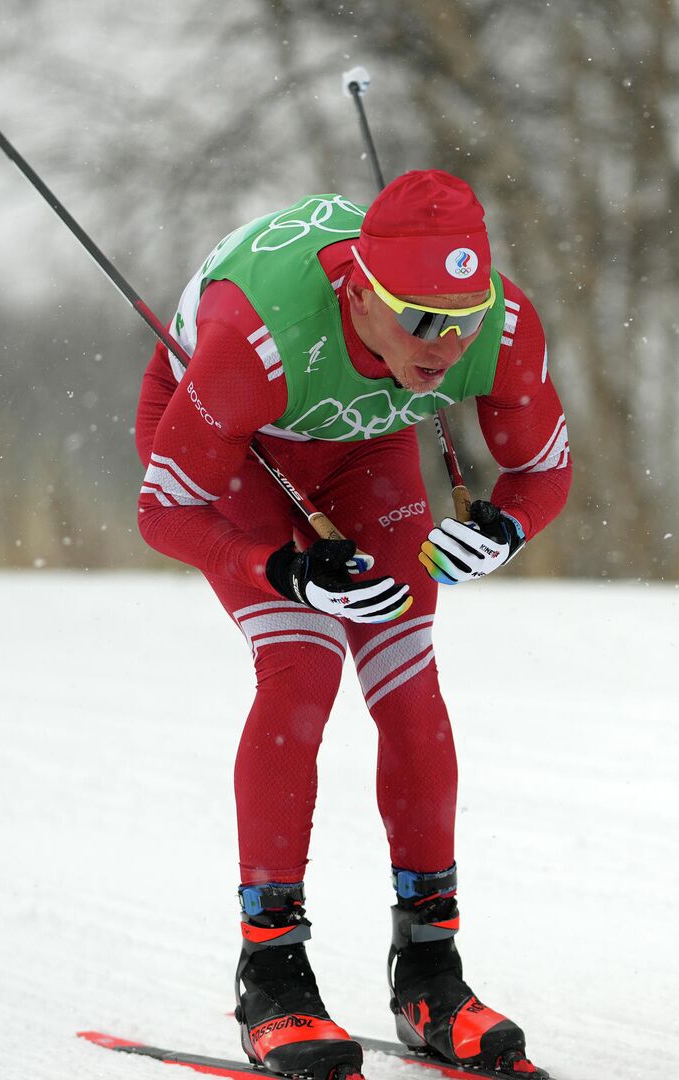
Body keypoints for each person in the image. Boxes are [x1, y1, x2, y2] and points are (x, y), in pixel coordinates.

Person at [133, 170, 571, 1080]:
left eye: (463, 317)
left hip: (366, 445)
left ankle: (430, 973)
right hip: (241, 449)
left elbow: (544, 471)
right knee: (302, 670)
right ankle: (273, 972)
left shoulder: (498, 325)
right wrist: (282, 569)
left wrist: (506, 525)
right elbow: (165, 508)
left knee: (409, 683)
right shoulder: (254, 341)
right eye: (421, 319)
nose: (446, 345)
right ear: (363, 294)